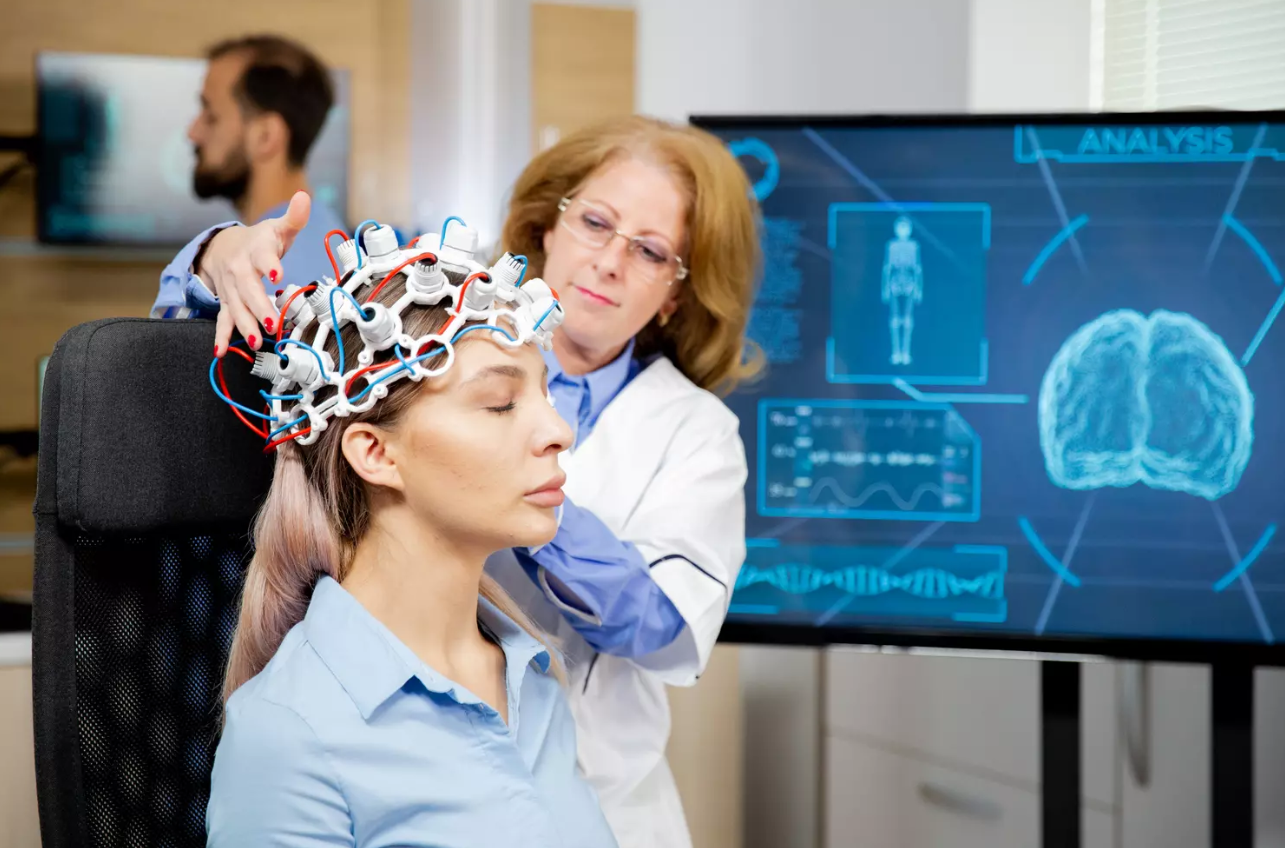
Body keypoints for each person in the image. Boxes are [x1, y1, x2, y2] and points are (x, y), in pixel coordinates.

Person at [173, 115, 762, 848]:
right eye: (595, 223)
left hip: (597, 791)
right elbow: (277, 338)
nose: (610, 262)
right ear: (547, 226)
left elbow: (663, 628)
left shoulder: (692, 435)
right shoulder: (297, 734)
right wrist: (216, 255)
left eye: (649, 251)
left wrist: (522, 488)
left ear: (676, 292)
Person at [204, 246, 618, 847]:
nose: (559, 432)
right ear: (375, 453)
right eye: (500, 404)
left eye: (546, 396)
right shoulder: (290, 733)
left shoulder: (533, 678)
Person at [151, 34, 346, 319]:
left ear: (265, 136)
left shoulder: (264, 278)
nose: (193, 132)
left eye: (211, 115)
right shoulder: (326, 239)